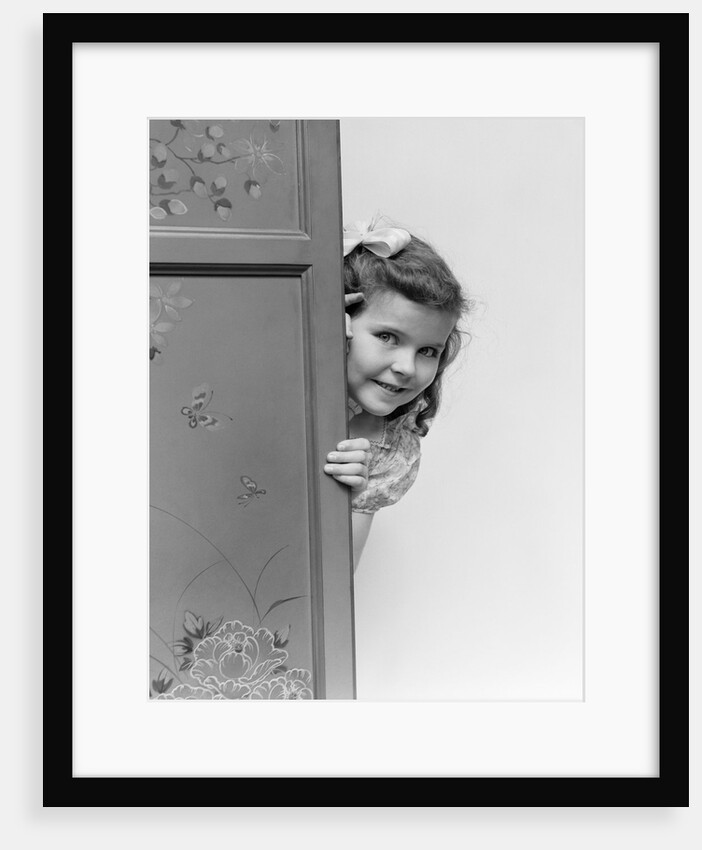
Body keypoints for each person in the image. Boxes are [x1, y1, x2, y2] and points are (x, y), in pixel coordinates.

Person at [324, 217, 471, 568]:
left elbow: (340, 577)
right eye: (387, 337)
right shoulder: (273, 376)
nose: (407, 366)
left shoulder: (390, 452)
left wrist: (346, 498)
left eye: (427, 351)